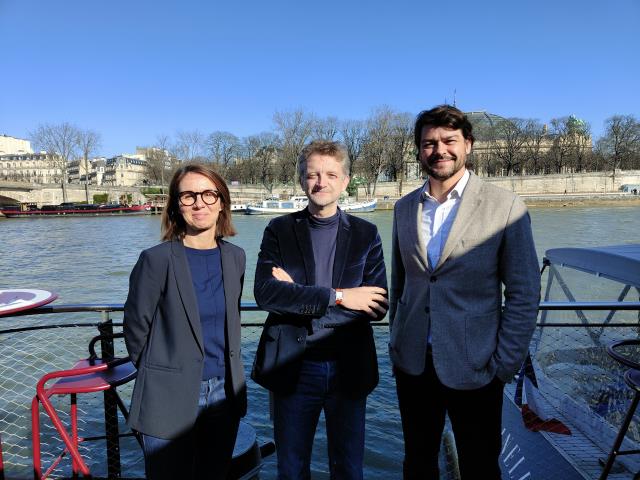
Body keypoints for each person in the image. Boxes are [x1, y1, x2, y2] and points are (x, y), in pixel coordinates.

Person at [389, 105, 540, 479]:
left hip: (478, 365)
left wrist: (504, 364)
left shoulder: (506, 206)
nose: (439, 150)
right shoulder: (403, 208)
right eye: (429, 143)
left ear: (468, 145)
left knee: (480, 466)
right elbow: (402, 285)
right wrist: (397, 342)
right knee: (418, 464)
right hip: (414, 363)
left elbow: (524, 292)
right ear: (419, 150)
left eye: (449, 141)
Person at [252, 140, 388, 480]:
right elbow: (266, 294)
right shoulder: (279, 230)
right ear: (302, 180)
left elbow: (377, 305)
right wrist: (340, 296)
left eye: (330, 174)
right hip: (295, 367)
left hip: (348, 366)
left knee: (348, 468)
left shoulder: (366, 233)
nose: (320, 182)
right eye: (313, 174)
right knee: (292, 469)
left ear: (345, 181)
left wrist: (297, 295)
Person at [123, 163, 246, 480]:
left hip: (224, 394)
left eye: (208, 194)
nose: (199, 203)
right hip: (169, 395)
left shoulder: (236, 257)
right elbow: (136, 329)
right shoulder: (156, 259)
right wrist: (164, 373)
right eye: (188, 195)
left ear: (221, 202)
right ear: (177, 206)